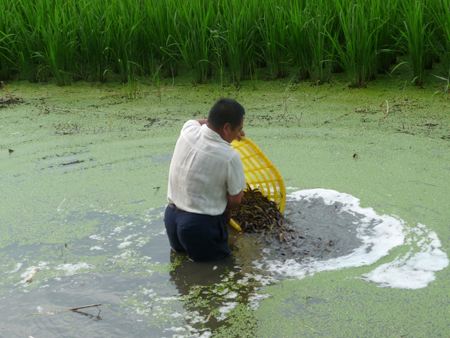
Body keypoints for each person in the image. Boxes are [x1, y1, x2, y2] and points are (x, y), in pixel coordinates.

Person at [164, 98, 246, 262]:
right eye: (239, 129)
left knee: (184, 272)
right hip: (199, 227)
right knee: (218, 273)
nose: (239, 136)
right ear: (226, 128)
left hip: (172, 218)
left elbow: (197, 121)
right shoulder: (229, 157)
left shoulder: (188, 131)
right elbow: (235, 200)